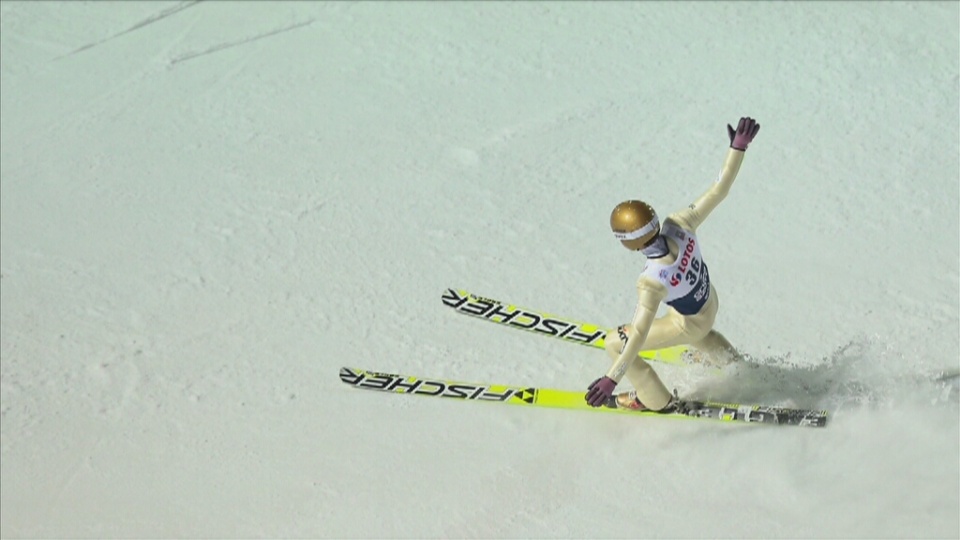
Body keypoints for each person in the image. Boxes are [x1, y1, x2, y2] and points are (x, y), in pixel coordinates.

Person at [584, 116, 761, 412]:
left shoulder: (651, 282)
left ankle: (655, 399)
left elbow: (638, 335)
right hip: (709, 303)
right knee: (692, 324)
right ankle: (731, 363)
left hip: (689, 324)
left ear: (629, 244)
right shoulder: (680, 223)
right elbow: (718, 190)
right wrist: (737, 148)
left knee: (614, 343)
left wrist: (611, 378)